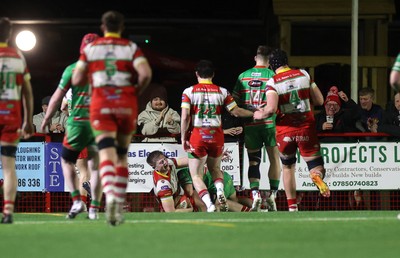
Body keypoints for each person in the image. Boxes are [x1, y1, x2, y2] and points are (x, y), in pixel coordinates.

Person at [72, 10, 152, 226]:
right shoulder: (130, 47)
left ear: (102, 27)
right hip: (125, 104)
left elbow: (77, 77)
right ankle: (118, 198)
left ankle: (111, 198)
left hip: (101, 106)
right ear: (122, 27)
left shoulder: (91, 49)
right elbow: (145, 74)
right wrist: (134, 91)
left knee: (106, 155)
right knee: (122, 156)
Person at [253, 48, 330, 212]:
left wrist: (260, 113)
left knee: (288, 168)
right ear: (286, 61)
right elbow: (319, 99)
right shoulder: (304, 74)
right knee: (316, 166)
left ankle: (292, 207)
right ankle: (316, 176)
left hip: (285, 132)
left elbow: (271, 109)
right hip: (306, 129)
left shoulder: (272, 82)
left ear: (272, 66)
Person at [42, 33, 102, 220]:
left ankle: (78, 201)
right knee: (95, 168)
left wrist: (46, 120)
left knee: (70, 162)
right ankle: (94, 208)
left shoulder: (72, 69)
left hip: (77, 124)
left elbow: (58, 100)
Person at [180, 59, 254, 212]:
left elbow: (185, 117)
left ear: (196, 74)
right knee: (215, 169)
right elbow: (236, 111)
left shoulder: (188, 91)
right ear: (213, 74)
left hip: (198, 135)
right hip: (217, 136)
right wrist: (255, 113)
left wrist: (183, 137)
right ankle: (220, 190)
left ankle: (209, 204)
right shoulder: (222, 91)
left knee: (196, 176)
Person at [232, 45, 281, 212]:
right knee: (274, 159)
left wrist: (249, 110)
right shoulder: (273, 76)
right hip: (269, 124)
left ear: (255, 57)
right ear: (270, 60)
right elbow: (279, 100)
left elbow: (234, 101)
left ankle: (255, 195)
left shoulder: (243, 76)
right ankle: (272, 195)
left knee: (254, 161)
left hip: (251, 124)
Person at [0, 17, 35, 223]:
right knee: (9, 166)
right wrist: (28, 119)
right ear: (9, 34)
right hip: (11, 116)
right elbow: (28, 92)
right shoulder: (17, 57)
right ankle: (8, 212)